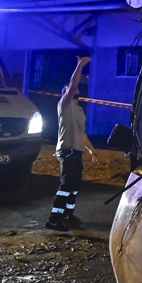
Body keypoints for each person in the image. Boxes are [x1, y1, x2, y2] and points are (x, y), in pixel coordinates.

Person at [45, 56, 96, 231]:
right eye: (68, 88)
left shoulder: (79, 110)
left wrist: (92, 150)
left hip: (76, 150)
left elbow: (82, 134)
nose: (73, 88)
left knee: (74, 186)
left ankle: (67, 214)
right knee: (66, 186)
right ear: (64, 93)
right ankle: (53, 219)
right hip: (67, 150)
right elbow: (73, 84)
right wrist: (80, 65)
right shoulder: (64, 104)